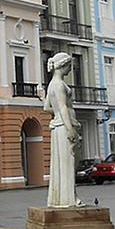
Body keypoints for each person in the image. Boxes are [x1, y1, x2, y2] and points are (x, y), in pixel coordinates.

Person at [41, 52, 81, 208]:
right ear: (63, 65)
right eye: (70, 66)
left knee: (63, 163)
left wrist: (57, 113)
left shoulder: (52, 84)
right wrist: (69, 128)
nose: (71, 69)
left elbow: (46, 108)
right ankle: (69, 199)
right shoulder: (59, 84)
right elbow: (63, 107)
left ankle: (62, 198)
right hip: (64, 127)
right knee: (69, 163)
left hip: (57, 125)